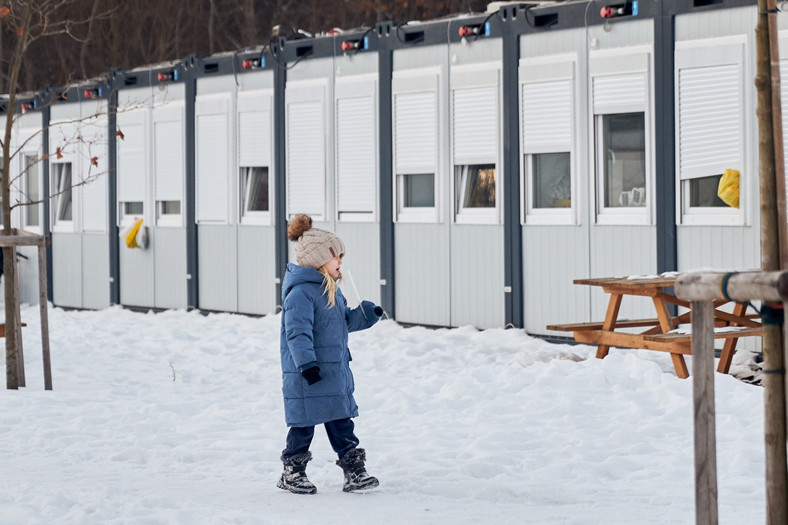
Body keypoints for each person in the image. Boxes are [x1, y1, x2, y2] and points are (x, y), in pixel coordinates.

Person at [277, 214, 384, 495]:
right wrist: (307, 365)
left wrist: (365, 316)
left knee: (341, 423)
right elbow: (297, 334)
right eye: (336, 256)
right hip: (309, 374)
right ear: (318, 259)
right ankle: (292, 472)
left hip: (333, 372)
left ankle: (355, 472)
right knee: (304, 426)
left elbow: (341, 324)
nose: (341, 261)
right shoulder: (301, 294)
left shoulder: (331, 291)